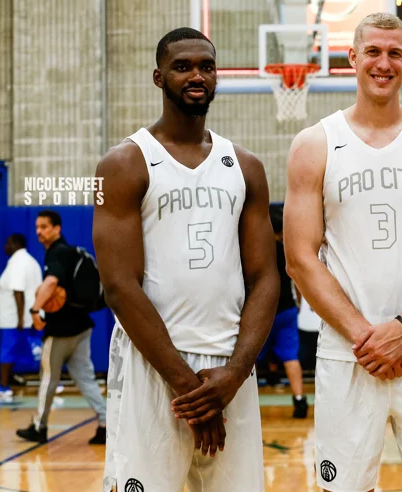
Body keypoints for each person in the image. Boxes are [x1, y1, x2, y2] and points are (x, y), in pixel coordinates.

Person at [284, 12, 402, 492]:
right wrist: (367, 337)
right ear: (352, 58)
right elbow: (300, 258)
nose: (383, 63)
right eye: (373, 51)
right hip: (348, 354)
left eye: (393, 54)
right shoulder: (314, 144)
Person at [93, 27, 278, 491]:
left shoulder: (246, 166)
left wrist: (233, 375)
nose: (197, 75)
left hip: (229, 365)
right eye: (183, 66)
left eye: (206, 66)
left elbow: (266, 278)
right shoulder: (123, 163)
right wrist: (189, 389)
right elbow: (117, 284)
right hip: (154, 366)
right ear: (159, 77)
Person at [16, 210, 107, 444]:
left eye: (44, 226)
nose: (39, 231)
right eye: (37, 227)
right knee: (85, 377)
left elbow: (51, 282)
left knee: (48, 378)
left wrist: (35, 310)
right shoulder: (72, 252)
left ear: (57, 228)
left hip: (60, 330)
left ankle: (39, 427)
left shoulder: (56, 253)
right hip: (82, 326)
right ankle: (106, 423)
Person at [262, 215, 307, 418]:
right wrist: (297, 302)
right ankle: (299, 401)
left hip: (262, 312)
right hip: (287, 309)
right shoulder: (288, 251)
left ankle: (241, 406)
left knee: (248, 358)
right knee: (290, 356)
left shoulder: (257, 249)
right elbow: (297, 279)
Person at [0, 234, 43, 400]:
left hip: (16, 319)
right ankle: (50, 382)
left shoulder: (19, 262)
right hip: (24, 316)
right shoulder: (28, 260)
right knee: (34, 350)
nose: (5, 246)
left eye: (7, 243)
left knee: (7, 352)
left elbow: (18, 291)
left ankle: (4, 387)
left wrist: (20, 319)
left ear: (14, 244)